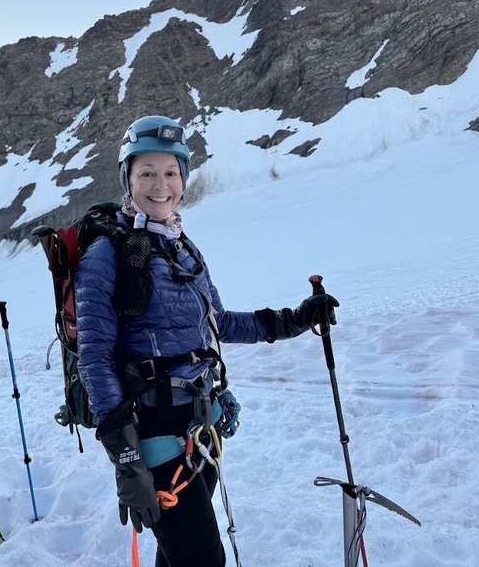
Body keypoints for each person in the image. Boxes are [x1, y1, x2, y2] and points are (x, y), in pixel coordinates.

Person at [75, 115, 339, 567]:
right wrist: (127, 459)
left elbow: (217, 323)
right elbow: (94, 359)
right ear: (127, 178)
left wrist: (292, 321)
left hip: (200, 426)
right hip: (155, 439)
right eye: (146, 172)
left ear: (183, 179)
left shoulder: (181, 245)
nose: (161, 185)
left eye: (171, 172)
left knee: (178, 555)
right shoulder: (106, 254)